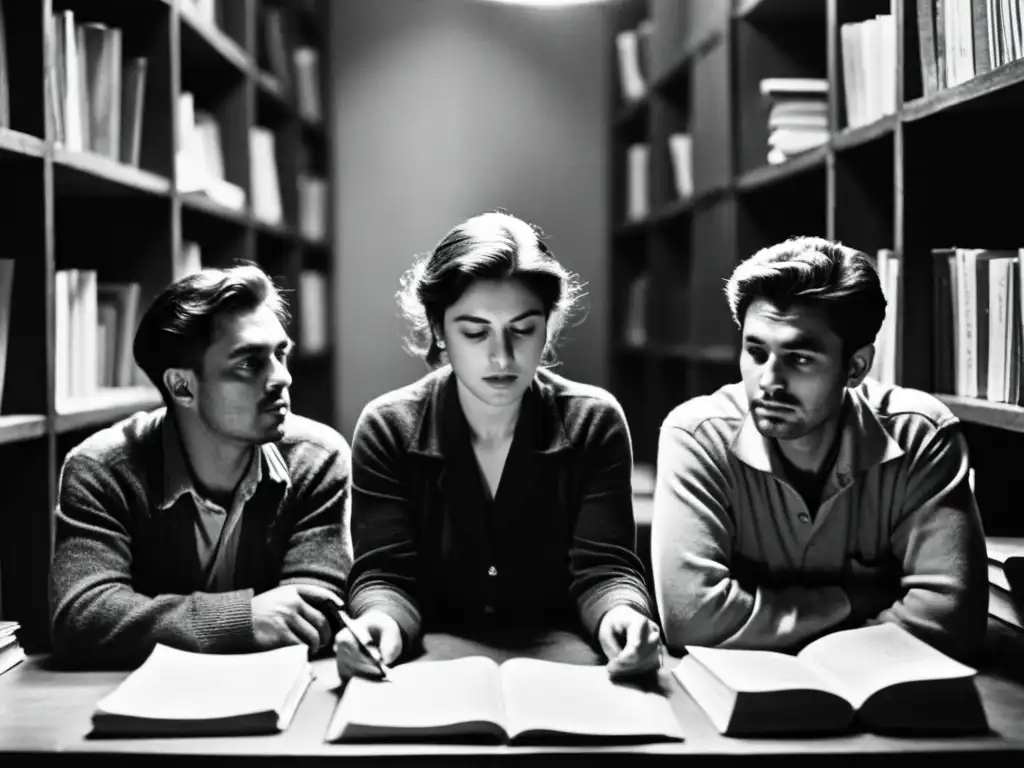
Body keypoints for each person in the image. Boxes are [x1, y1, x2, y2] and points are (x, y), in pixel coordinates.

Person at [335, 211, 660, 680]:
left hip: (563, 672)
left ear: (549, 326)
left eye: (523, 330)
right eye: (475, 332)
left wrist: (623, 618)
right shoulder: (388, 427)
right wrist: (376, 625)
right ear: (439, 329)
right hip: (429, 672)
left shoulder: (593, 420)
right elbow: (387, 576)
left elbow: (604, 570)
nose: (502, 357)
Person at [651, 236, 988, 661]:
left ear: (856, 367)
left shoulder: (921, 435)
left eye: (800, 358)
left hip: (889, 695)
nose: (769, 381)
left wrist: (766, 624)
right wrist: (856, 600)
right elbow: (691, 619)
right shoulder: (698, 435)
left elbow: (951, 621)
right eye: (756, 352)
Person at [50, 265, 352, 668]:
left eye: (281, 354)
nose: (281, 378)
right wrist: (240, 620)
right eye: (249, 363)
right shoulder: (101, 469)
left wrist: (163, 625)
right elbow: (82, 617)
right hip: (142, 706)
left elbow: (314, 611)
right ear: (182, 386)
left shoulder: (316, 458)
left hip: (280, 696)